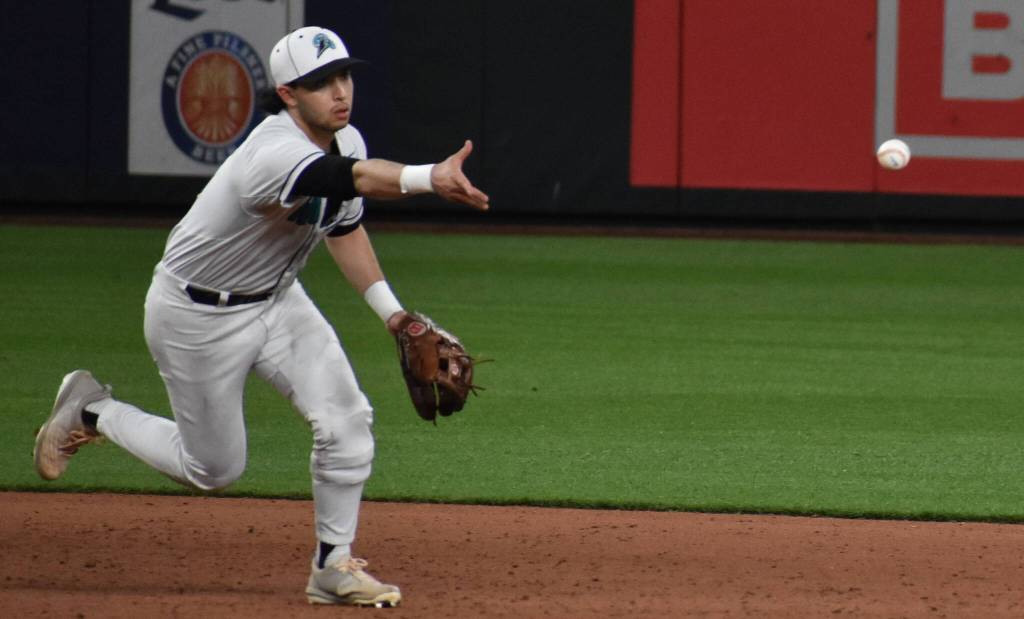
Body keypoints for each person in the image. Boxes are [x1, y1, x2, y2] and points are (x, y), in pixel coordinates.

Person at [32, 26, 488, 608]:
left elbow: (342, 227)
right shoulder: (272, 153)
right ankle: (92, 409)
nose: (340, 91)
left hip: (277, 299)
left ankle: (332, 566)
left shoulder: (347, 140)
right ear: (289, 94)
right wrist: (429, 177)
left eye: (344, 75)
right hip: (195, 313)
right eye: (321, 83)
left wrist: (394, 317)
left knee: (348, 422)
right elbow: (342, 179)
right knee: (213, 469)